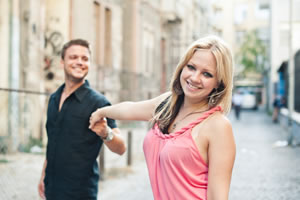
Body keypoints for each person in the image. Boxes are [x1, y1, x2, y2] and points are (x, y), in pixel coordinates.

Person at [89, 35, 236, 200]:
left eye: (207, 74)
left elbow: (218, 197)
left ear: (219, 82)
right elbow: (130, 108)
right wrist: (101, 113)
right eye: (191, 67)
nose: (194, 78)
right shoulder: (167, 103)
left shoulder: (218, 126)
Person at [38, 39, 126, 200]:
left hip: (80, 193)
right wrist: (43, 176)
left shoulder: (98, 103)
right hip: (52, 188)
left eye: (84, 59)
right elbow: (53, 143)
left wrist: (106, 133)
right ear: (62, 62)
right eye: (73, 57)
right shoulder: (54, 98)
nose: (79, 62)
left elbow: (121, 148)